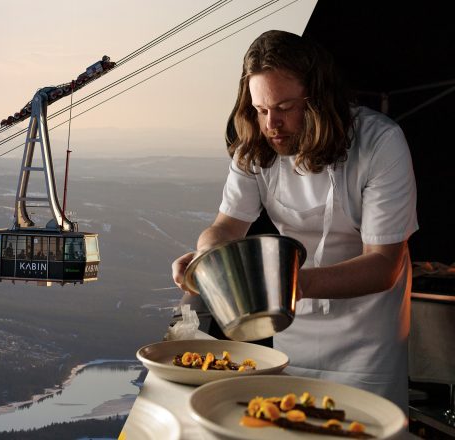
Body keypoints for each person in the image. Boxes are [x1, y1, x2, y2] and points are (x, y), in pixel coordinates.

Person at [172, 30, 417, 412]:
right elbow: (227, 227)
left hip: (369, 337)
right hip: (293, 326)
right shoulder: (255, 148)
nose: (272, 123)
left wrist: (285, 284)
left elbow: (384, 265)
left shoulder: (380, 142)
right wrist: (209, 258)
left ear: (318, 99)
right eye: (260, 109)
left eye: (285, 107)